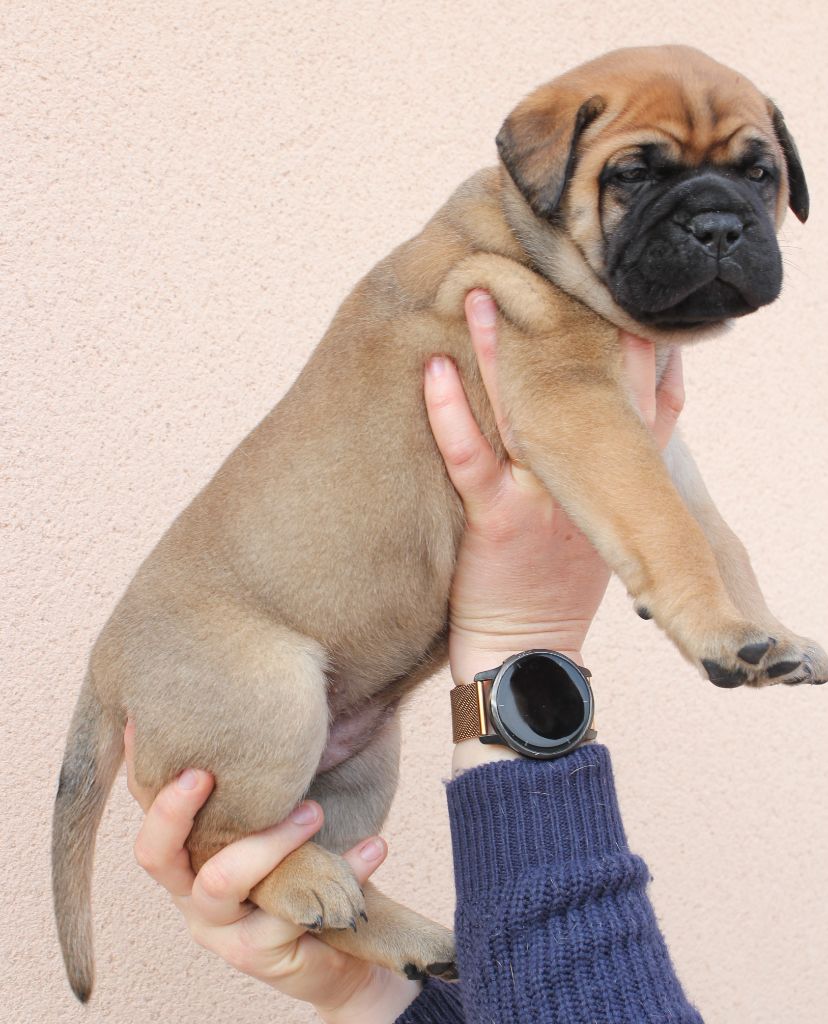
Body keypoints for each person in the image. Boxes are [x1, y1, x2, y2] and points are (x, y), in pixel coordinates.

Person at [126, 290, 702, 1022]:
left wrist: (525, 637)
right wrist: (374, 995)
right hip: (260, 647)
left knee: (346, 796)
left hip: (331, 678)